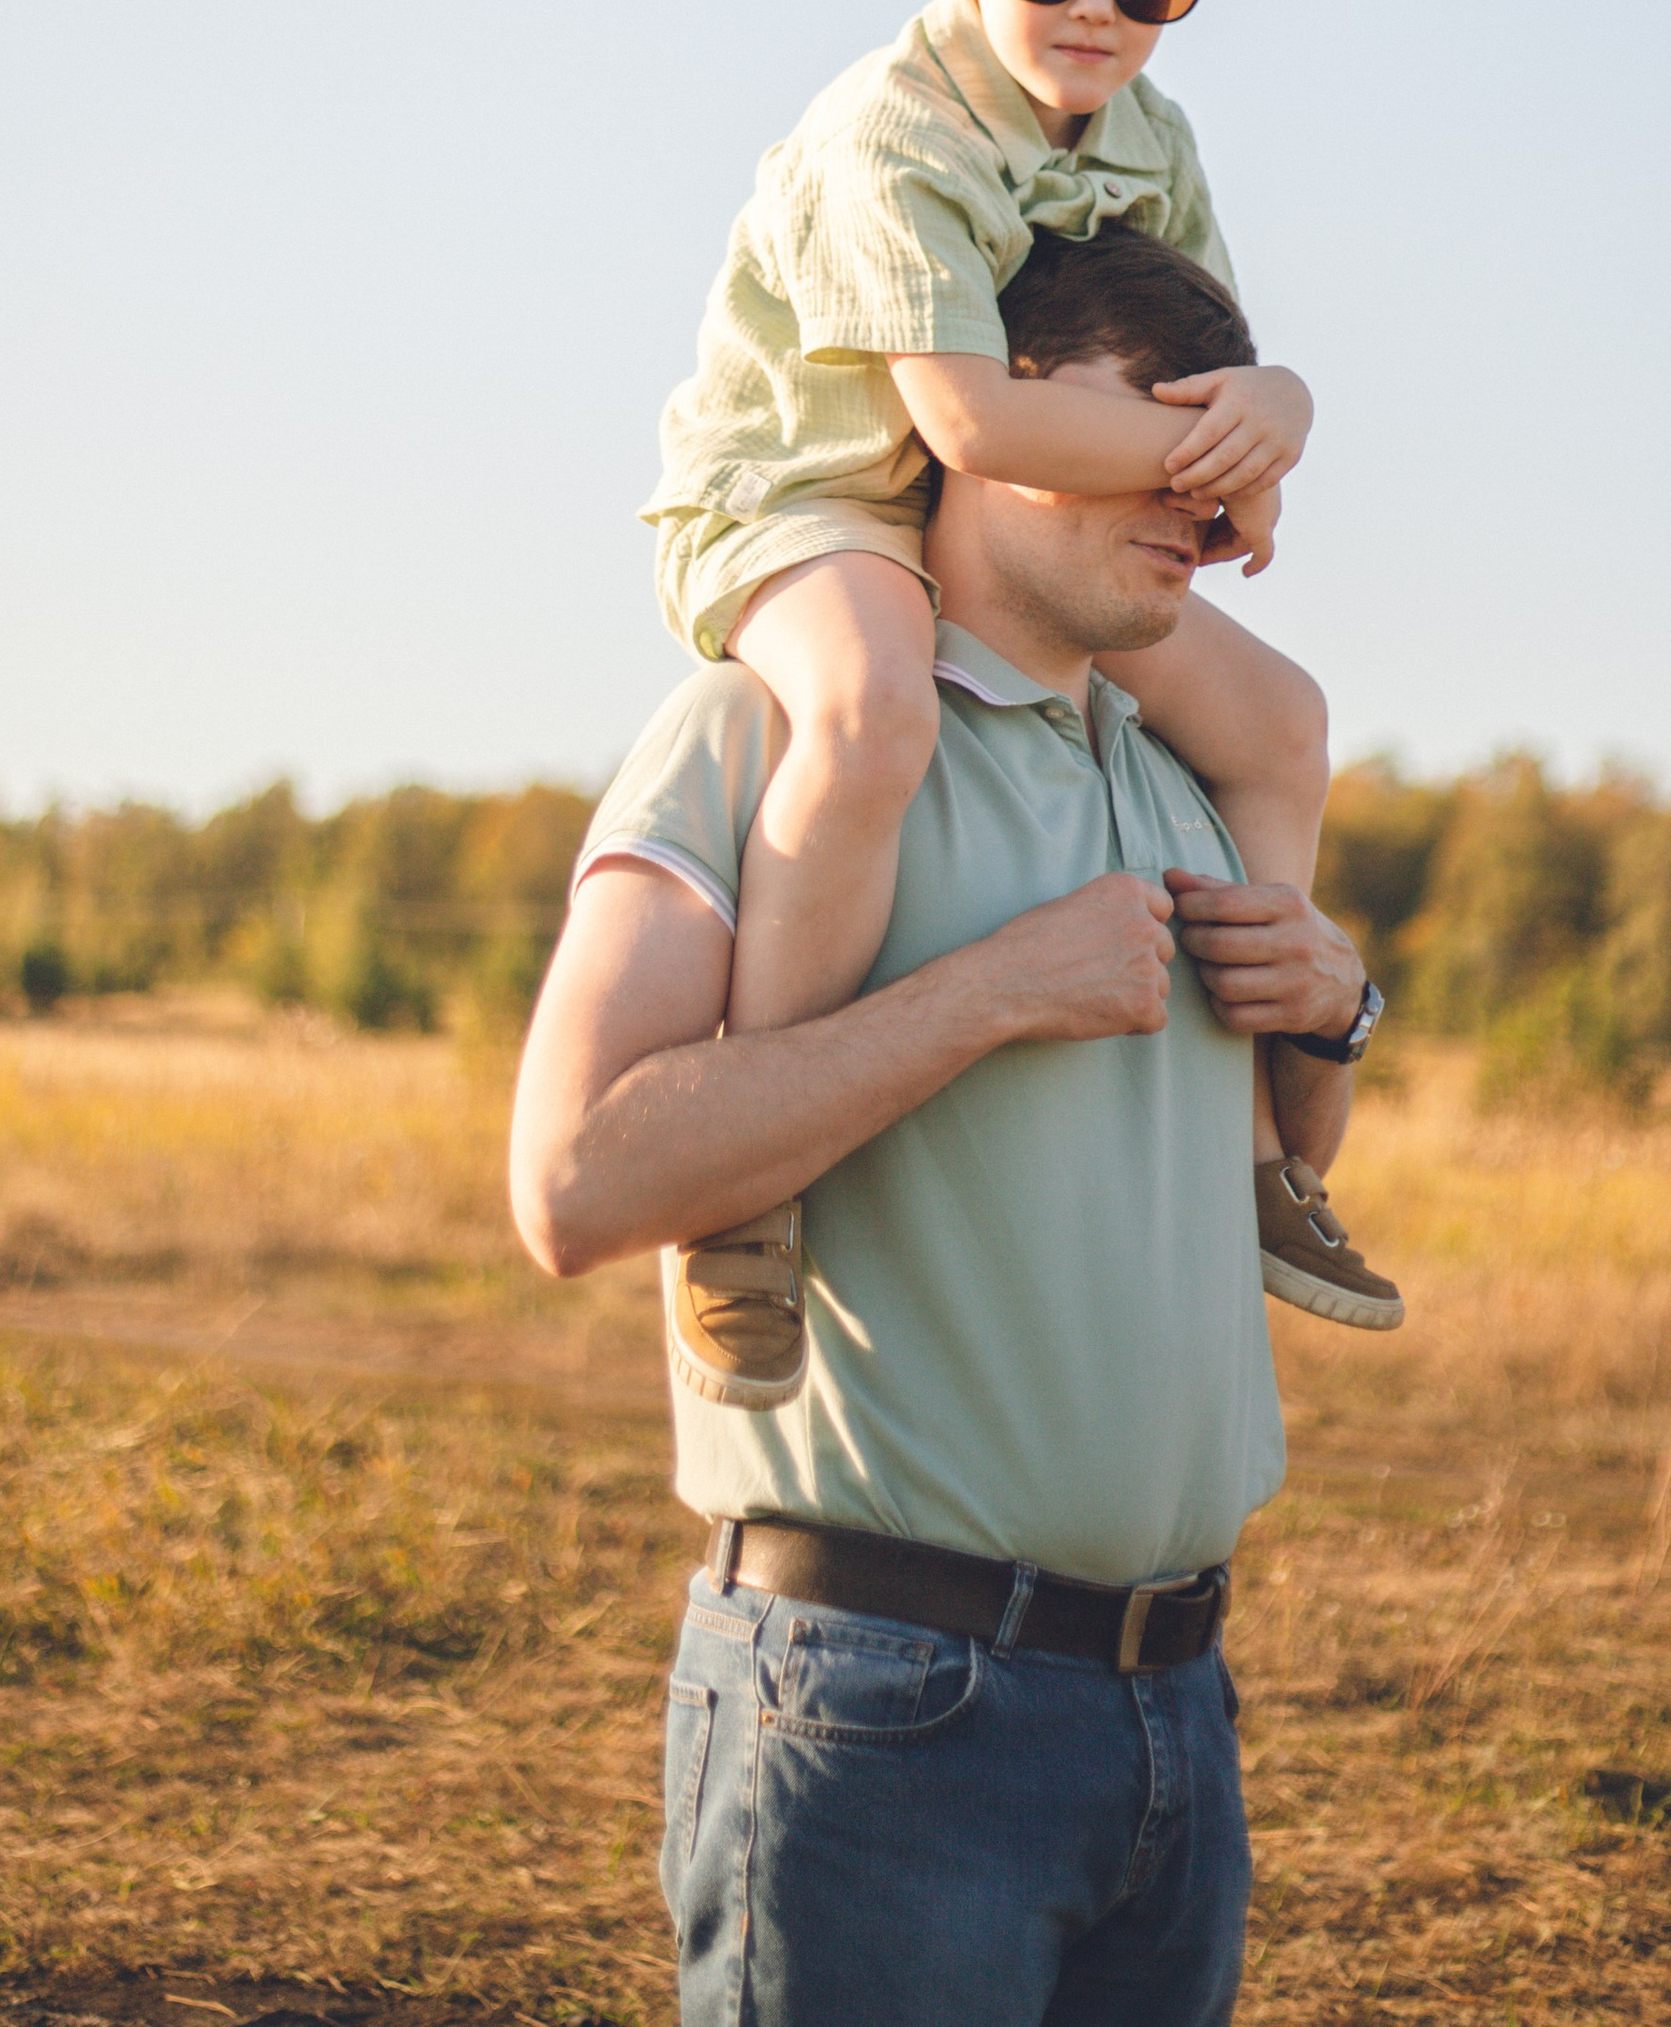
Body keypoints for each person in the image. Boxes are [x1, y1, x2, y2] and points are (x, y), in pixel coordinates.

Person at [513, 225, 1398, 2027]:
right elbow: (577, 1179)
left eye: (1222, 445)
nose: (1197, 487)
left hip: (1178, 1715)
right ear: (984, 420)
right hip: (880, 1713)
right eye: (1152, 422)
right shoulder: (762, 738)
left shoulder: (1193, 781)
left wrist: (1335, 1012)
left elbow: (1258, 1174)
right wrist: (990, 991)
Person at [642, 0, 1399, 1398]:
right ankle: (750, 1188)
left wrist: (1272, 405)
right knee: (867, 714)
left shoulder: (1156, 145)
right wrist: (1224, 459)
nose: (1096, 11)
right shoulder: (886, 133)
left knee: (1279, 723)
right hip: (815, 498)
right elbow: (975, 423)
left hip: (998, 530)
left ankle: (1267, 1164)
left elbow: (1198, 360)